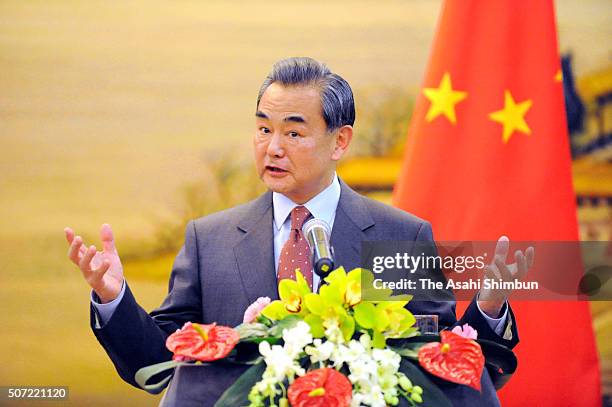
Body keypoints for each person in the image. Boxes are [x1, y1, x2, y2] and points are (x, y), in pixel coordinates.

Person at [64, 57, 532, 407]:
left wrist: (488, 310)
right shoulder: (210, 240)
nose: (272, 147)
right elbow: (158, 363)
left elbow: (444, 363)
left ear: (340, 141)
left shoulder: (399, 236)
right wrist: (114, 297)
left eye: (293, 133)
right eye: (263, 129)